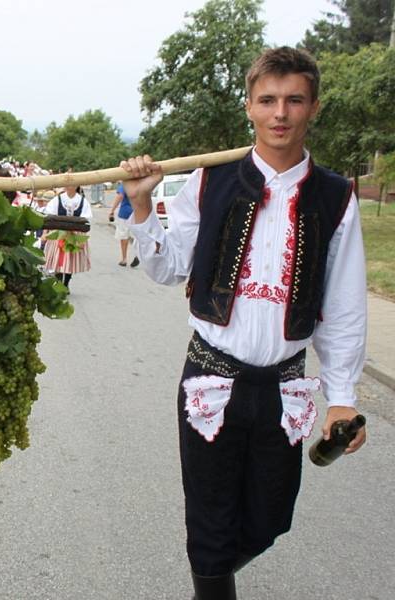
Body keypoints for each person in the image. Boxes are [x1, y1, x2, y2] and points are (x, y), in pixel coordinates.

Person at [120, 47, 367, 600]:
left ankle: (210, 578)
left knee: (268, 521)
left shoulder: (335, 196)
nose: (280, 113)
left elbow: (346, 306)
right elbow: (166, 268)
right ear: (249, 109)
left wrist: (343, 395)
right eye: (268, 100)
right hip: (210, 377)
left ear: (313, 108)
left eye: (293, 100)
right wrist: (141, 208)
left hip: (286, 384)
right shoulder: (211, 182)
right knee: (209, 522)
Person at [41, 185, 92, 288]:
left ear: (76, 185)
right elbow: (49, 217)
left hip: (75, 234)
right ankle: (59, 283)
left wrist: (83, 239)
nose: (69, 186)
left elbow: (86, 221)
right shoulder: (58, 199)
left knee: (71, 260)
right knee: (58, 259)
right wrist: (45, 233)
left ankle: (66, 283)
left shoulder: (82, 200)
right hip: (59, 232)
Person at [108, 181, 139, 267]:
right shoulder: (137, 183)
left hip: (125, 213)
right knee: (137, 235)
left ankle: (124, 259)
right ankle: (138, 255)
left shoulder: (124, 184)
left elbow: (120, 196)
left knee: (123, 236)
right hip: (137, 212)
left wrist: (112, 210)